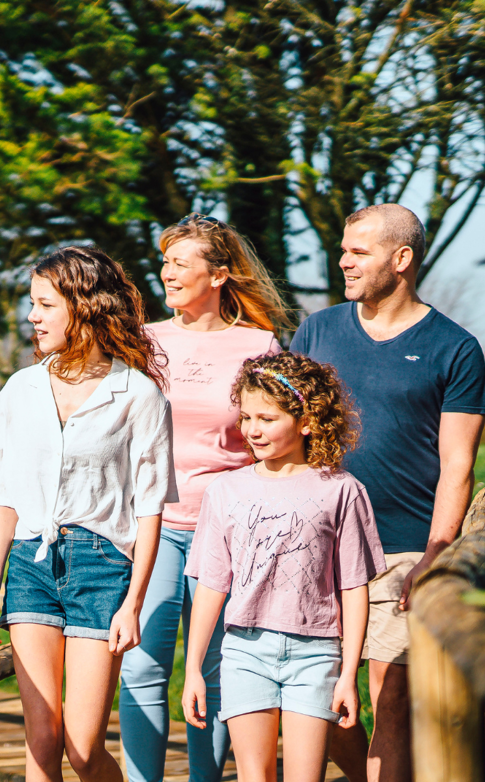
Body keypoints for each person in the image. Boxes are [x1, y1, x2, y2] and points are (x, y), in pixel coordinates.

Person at [289, 203, 485, 782]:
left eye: (359, 252)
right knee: (320, 704)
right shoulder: (318, 330)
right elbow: (279, 428)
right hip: (314, 545)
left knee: (389, 699)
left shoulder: (455, 348)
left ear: (401, 260)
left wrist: (437, 550)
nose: (343, 262)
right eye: (344, 250)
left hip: (398, 547)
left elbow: (458, 463)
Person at [0, 245, 178, 782]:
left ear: (82, 308)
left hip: (101, 568)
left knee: (83, 750)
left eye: (44, 304)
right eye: (32, 304)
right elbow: (5, 498)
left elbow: (150, 509)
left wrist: (134, 603)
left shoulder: (138, 394)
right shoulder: (19, 391)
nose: (32, 317)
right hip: (30, 569)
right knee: (41, 741)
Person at [121, 214, 291, 782]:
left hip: (229, 530)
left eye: (180, 262)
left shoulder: (258, 344)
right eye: (165, 261)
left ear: (218, 275)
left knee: (218, 670)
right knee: (142, 664)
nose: (166, 272)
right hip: (153, 525)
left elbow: (273, 435)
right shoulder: (143, 342)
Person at [181, 351, 385, 782]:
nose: (252, 430)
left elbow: (353, 588)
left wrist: (348, 675)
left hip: (316, 654)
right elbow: (212, 585)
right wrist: (194, 668)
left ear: (307, 421)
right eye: (247, 417)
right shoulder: (225, 490)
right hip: (243, 653)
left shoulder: (342, 490)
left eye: (267, 419)